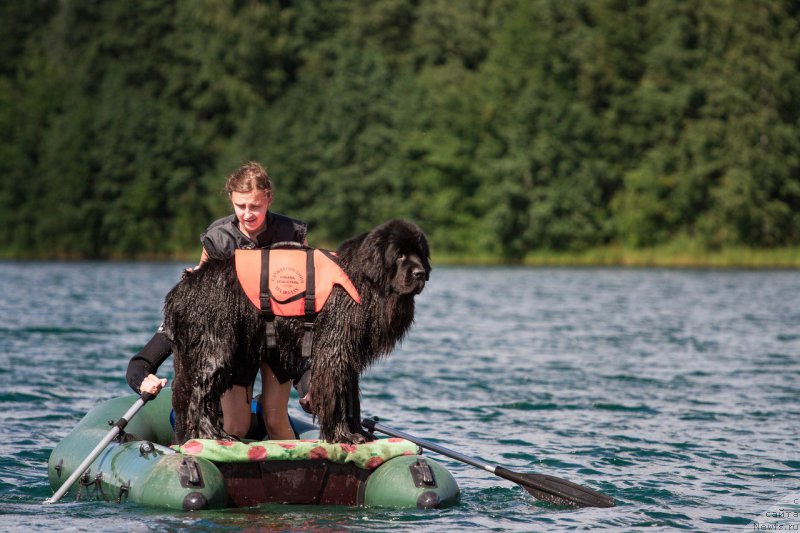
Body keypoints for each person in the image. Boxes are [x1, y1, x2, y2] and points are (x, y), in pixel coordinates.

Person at [126, 162, 307, 440]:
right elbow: (199, 285)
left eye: (255, 206)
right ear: (232, 200)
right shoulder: (218, 237)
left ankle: (294, 473)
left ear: (269, 198)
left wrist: (310, 380)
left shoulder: (291, 233)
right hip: (234, 337)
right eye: (240, 206)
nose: (248, 214)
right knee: (236, 427)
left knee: (275, 419)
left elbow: (309, 295)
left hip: (276, 333)